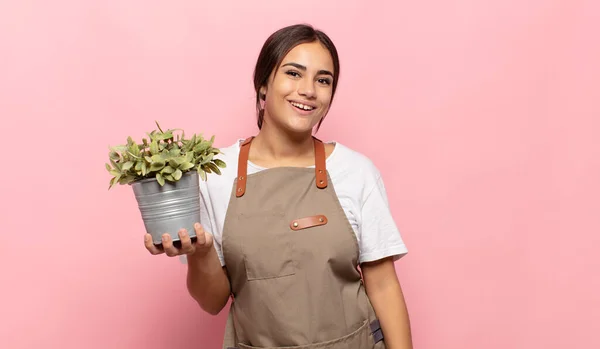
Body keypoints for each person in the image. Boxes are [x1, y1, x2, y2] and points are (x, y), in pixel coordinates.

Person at [144, 23, 413, 349]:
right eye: (294, 73)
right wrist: (201, 253)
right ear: (262, 87)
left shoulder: (354, 171)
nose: (309, 90)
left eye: (323, 80)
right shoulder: (216, 174)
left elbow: (383, 285)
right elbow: (212, 301)